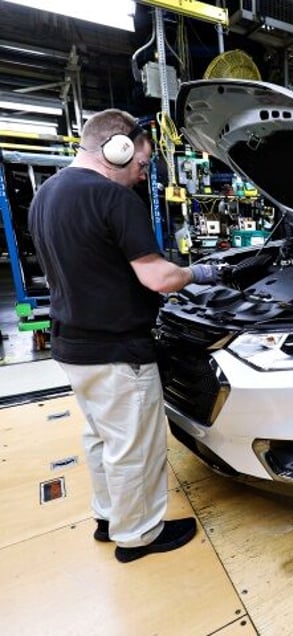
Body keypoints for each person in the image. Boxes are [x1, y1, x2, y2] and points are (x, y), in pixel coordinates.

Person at [28, 109, 223, 562]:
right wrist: (201, 272)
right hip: (116, 350)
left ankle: (109, 517)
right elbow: (158, 278)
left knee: (101, 437)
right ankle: (138, 536)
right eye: (140, 163)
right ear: (116, 148)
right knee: (134, 447)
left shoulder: (48, 193)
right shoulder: (113, 199)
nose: (141, 175)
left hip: (73, 347)